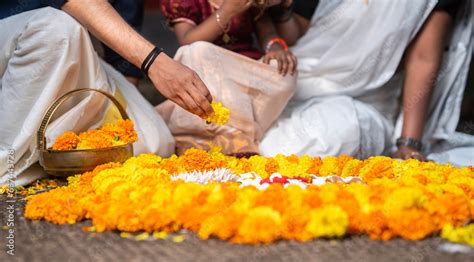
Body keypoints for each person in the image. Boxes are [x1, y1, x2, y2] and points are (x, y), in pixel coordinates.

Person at [0, 0, 214, 186]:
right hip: (25, 37)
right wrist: (156, 63)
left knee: (154, 142)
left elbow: (123, 30)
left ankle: (50, 153)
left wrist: (121, 119)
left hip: (71, 52)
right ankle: (9, 162)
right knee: (55, 30)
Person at [259, 0, 473, 166]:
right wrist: (281, 9)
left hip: (365, 100)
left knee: (332, 136)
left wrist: (409, 142)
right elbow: (297, 32)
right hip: (296, 79)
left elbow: (422, 58)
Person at [156, 0, 298, 154]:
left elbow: (268, 34)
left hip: (241, 69)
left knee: (284, 70)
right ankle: (236, 137)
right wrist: (226, 11)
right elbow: (186, 40)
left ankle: (237, 129)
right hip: (205, 71)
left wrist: (275, 47)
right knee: (196, 50)